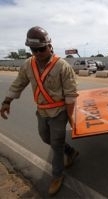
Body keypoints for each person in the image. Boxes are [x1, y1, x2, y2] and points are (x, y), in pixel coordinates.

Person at [0, 26, 79, 195]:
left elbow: (71, 95)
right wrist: (7, 101)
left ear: (50, 45)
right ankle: (70, 152)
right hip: (42, 111)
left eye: (41, 49)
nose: (37, 53)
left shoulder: (62, 66)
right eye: (33, 49)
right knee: (45, 137)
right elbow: (19, 83)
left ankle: (57, 175)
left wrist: (71, 117)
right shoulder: (28, 65)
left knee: (56, 143)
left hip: (59, 111)